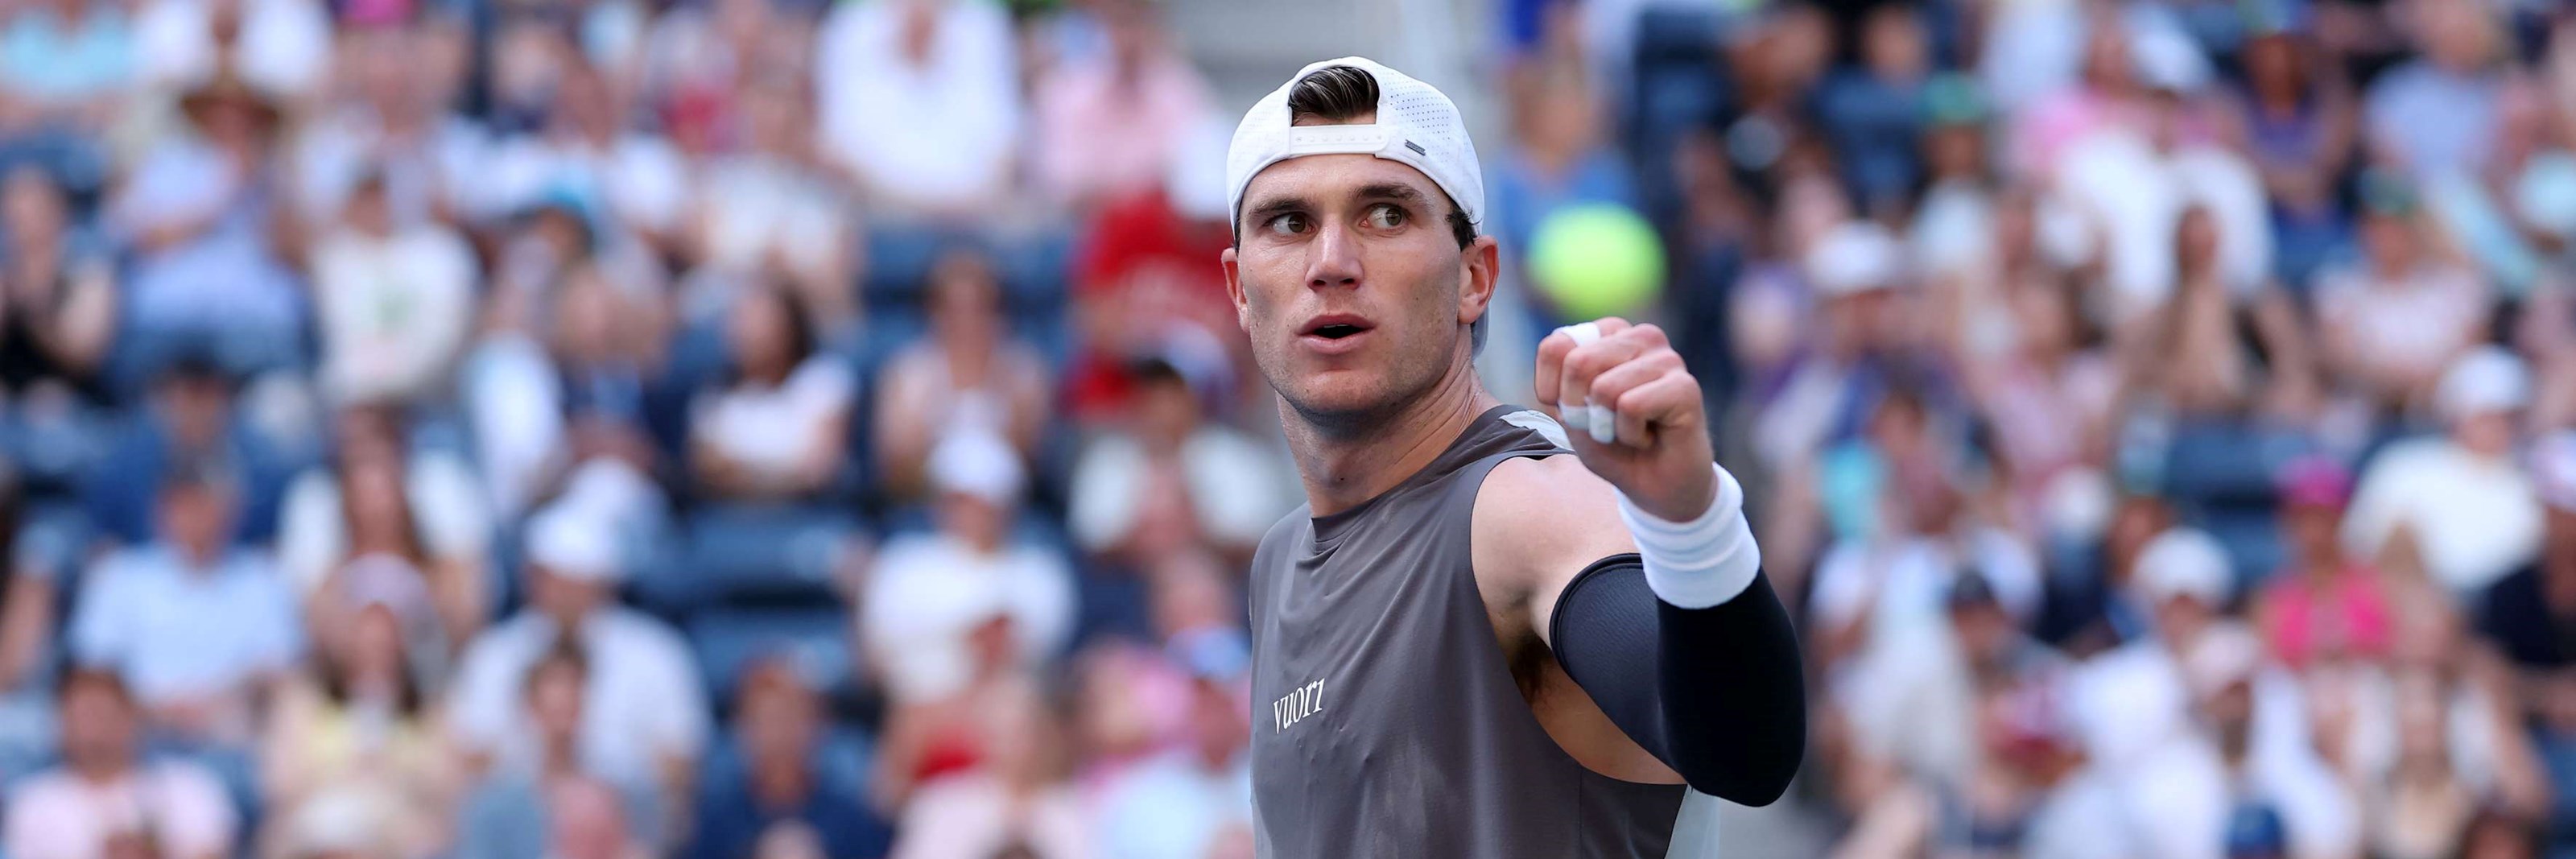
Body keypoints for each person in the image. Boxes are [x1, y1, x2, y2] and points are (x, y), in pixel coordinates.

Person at [1220, 59, 1802, 855]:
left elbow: (1744, 750)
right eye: (1287, 221)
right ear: (1239, 290)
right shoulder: (1278, 558)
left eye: (1384, 214)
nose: (1329, 260)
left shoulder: (1523, 504)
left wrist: (1690, 520)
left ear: (1474, 277)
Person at [447, 503, 708, 821]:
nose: (564, 595)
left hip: (624, 823)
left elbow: (679, 763)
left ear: (603, 585)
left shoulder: (656, 652)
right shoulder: (494, 654)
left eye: (576, 583)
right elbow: (472, 760)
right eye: (554, 580)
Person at [70, 461, 303, 748]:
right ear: (161, 510)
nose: (195, 516)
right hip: (136, 734)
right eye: (184, 504)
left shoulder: (263, 578)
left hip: (234, 735)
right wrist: (158, 709)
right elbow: (94, 668)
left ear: (232, 510)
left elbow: (279, 669)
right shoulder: (120, 575)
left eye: (206, 504)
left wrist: (216, 705)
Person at [257, 558, 460, 859]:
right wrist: (345, 771)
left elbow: (448, 789)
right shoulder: (302, 701)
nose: (373, 645)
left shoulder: (430, 710)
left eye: (385, 636)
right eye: (364, 634)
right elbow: (280, 784)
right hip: (315, 829)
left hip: (400, 834)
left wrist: (390, 770)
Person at [863, 430, 1073, 706]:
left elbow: (1035, 651)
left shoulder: (1039, 571)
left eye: (981, 502)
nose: (970, 512)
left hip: (1006, 715)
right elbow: (880, 651)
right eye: (959, 500)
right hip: (919, 709)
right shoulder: (903, 562)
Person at [2342, 346, 2541, 596]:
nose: (2498, 426)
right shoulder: (2404, 466)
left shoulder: (2536, 481)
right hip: (2412, 605)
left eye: (2509, 417)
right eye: (2487, 415)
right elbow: (2361, 546)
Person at [872, 249, 1050, 498]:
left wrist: (1001, 382)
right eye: (953, 310)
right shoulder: (908, 372)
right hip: (927, 504)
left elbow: (1032, 463)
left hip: (1004, 508)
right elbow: (895, 469)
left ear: (999, 313)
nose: (966, 321)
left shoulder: (1024, 370)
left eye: (980, 308)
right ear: (933, 313)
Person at [3, 669, 237, 859]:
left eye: (101, 713)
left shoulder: (188, 786)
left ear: (130, 716)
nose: (92, 728)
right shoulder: (33, 802)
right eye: (81, 715)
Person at [687, 658, 893, 859]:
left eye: (789, 719)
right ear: (741, 729)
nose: (778, 735)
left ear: (818, 725)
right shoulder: (717, 819)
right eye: (764, 721)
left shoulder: (852, 818)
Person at [305, 169, 479, 407]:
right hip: (356, 398)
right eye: (366, 199)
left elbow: (444, 335)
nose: (377, 209)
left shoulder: (441, 252)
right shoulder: (335, 256)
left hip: (429, 394)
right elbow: (342, 332)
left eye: (382, 197)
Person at [688, 283, 853, 503]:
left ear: (789, 327)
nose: (748, 333)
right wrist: (782, 471)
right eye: (741, 321)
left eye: (760, 322)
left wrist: (741, 472)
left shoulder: (822, 380)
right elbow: (706, 470)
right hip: (733, 520)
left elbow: (819, 470)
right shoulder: (713, 394)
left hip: (808, 518)